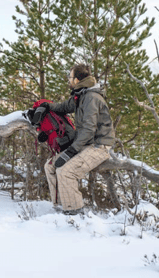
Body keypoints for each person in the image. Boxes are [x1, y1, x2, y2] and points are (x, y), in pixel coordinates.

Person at [37, 64, 115, 215]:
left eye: (70, 77)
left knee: (66, 171)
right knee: (50, 166)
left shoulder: (91, 98)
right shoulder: (81, 94)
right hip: (86, 143)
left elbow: (88, 130)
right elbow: (65, 107)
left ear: (77, 79)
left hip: (99, 145)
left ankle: (74, 213)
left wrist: (70, 151)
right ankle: (60, 206)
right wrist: (47, 107)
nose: (69, 80)